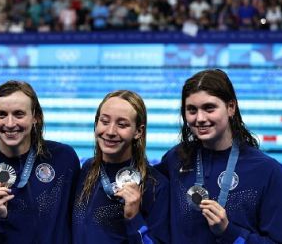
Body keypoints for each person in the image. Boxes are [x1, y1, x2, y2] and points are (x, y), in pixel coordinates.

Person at [155, 69, 282, 243]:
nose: (200, 118)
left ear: (231, 107)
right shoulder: (175, 159)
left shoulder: (267, 171)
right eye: (192, 110)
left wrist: (229, 232)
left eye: (209, 108)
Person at [0, 80, 80, 243]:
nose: (10, 124)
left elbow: (81, 223)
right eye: (2, 114)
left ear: (35, 117)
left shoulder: (63, 159)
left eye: (19, 114)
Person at [72, 90, 170, 243]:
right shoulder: (88, 169)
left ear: (138, 131)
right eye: (104, 121)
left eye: (122, 125)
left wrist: (133, 218)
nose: (110, 132)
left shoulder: (155, 185)